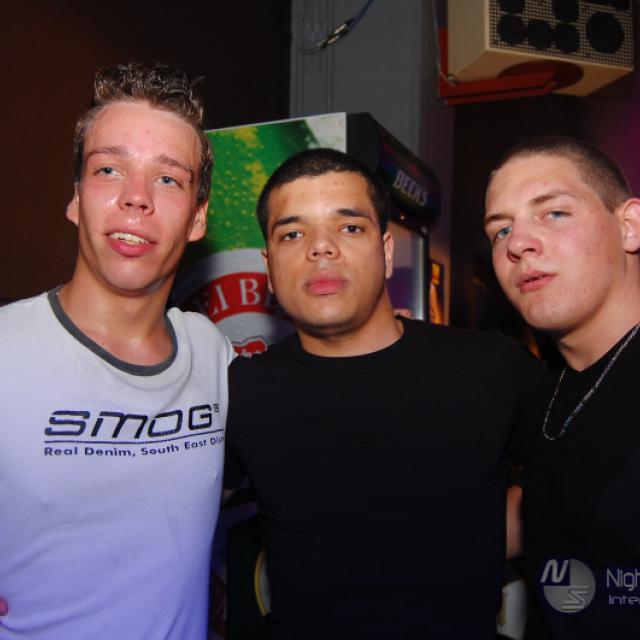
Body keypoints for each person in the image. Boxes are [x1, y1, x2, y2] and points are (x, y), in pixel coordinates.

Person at [224, 148, 548, 639]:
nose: (321, 248)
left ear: (387, 251)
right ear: (269, 266)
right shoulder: (242, 390)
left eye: (349, 227)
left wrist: (474, 539)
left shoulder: (489, 367)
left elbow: (579, 482)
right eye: (292, 234)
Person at [0, 62, 234, 639]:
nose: (136, 198)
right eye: (109, 169)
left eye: (168, 179)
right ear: (76, 198)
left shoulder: (213, 355)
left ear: (198, 217)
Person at [484, 136, 640, 639]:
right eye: (501, 229)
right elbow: (551, 506)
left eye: (553, 213)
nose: (517, 243)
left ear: (630, 225)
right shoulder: (550, 383)